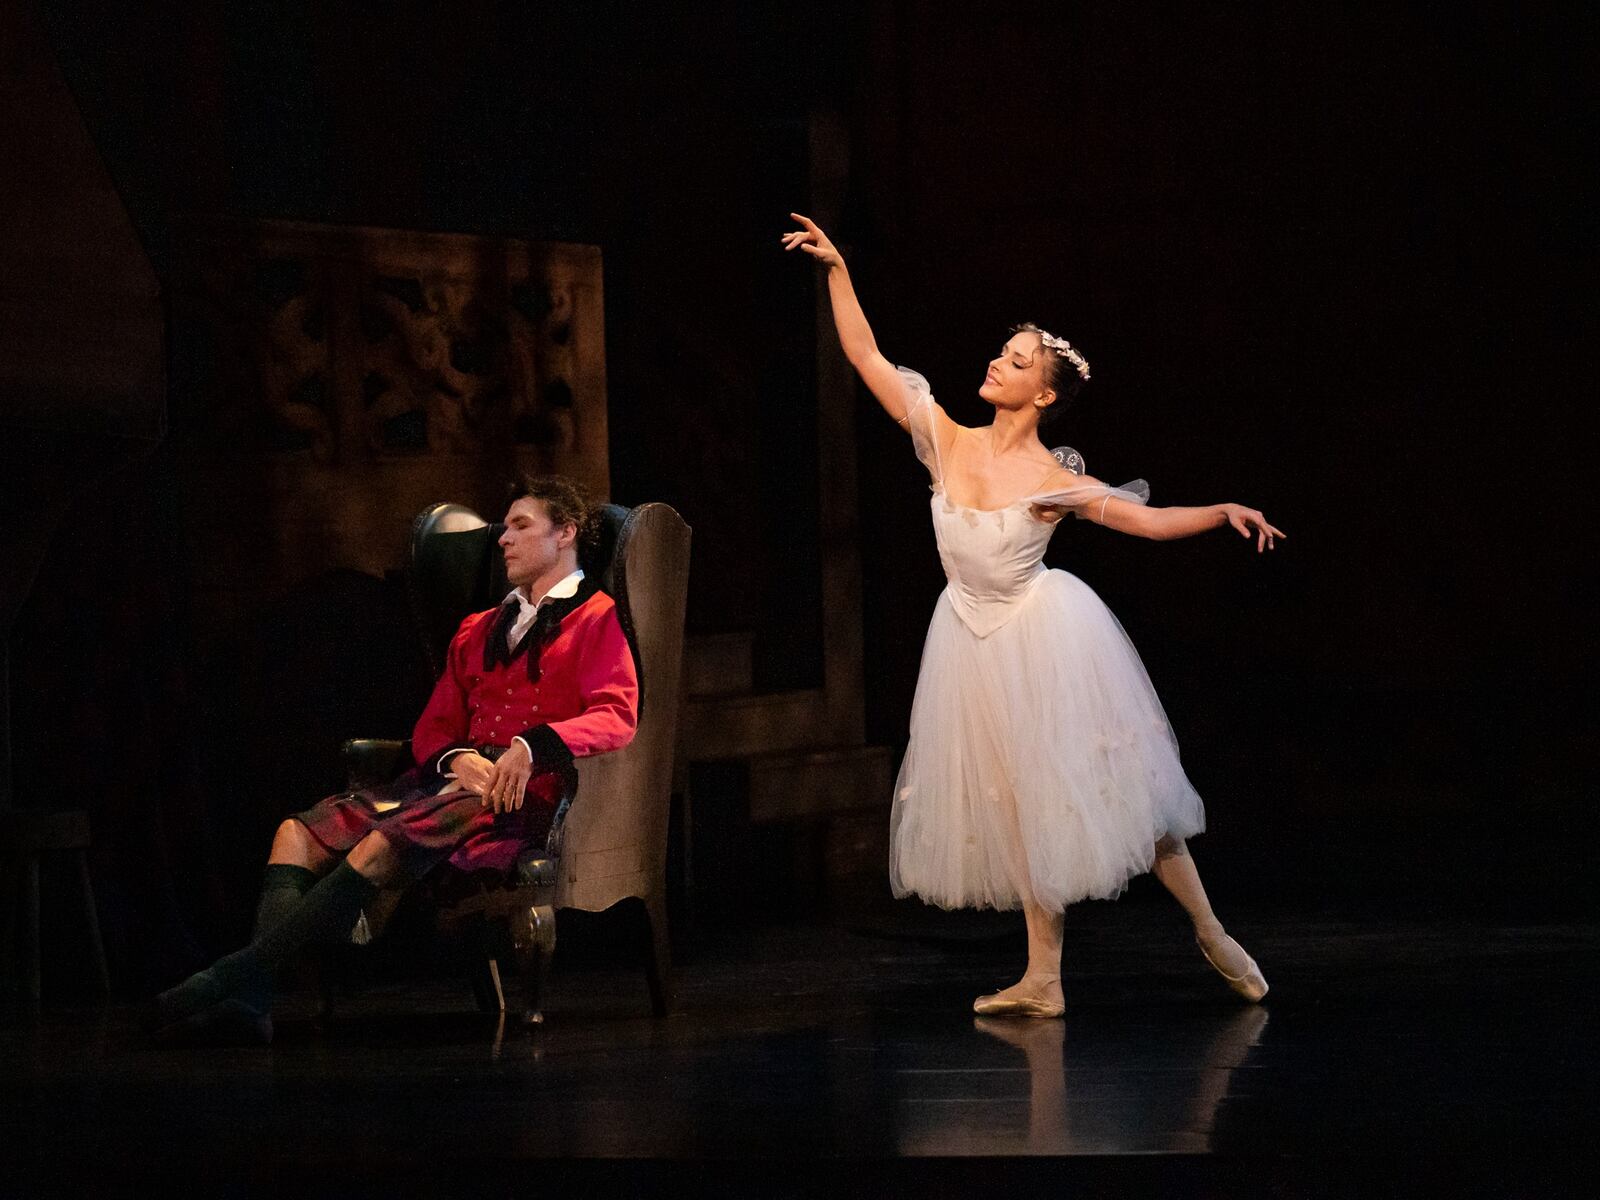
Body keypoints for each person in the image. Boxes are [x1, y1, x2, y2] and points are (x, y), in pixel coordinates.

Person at [784, 213, 1284, 1017]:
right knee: (1016, 804)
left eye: (1015, 362)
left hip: (1040, 634)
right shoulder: (944, 437)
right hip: (969, 638)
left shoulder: (1055, 480)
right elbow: (864, 356)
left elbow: (1148, 521)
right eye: (1002, 352)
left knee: (1115, 789)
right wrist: (838, 268)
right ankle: (1043, 976)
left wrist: (1220, 509)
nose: (996, 361)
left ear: (1042, 393)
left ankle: (1209, 927)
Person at [148, 474, 639, 1042]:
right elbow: (433, 729)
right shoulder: (477, 628)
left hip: (523, 797)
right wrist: (456, 759)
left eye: (521, 526)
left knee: (381, 845)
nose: (503, 538)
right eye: (502, 528)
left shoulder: (598, 619)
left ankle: (227, 981)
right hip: (451, 785)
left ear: (565, 534)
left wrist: (531, 746)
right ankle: (254, 996)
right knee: (293, 833)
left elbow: (617, 714)